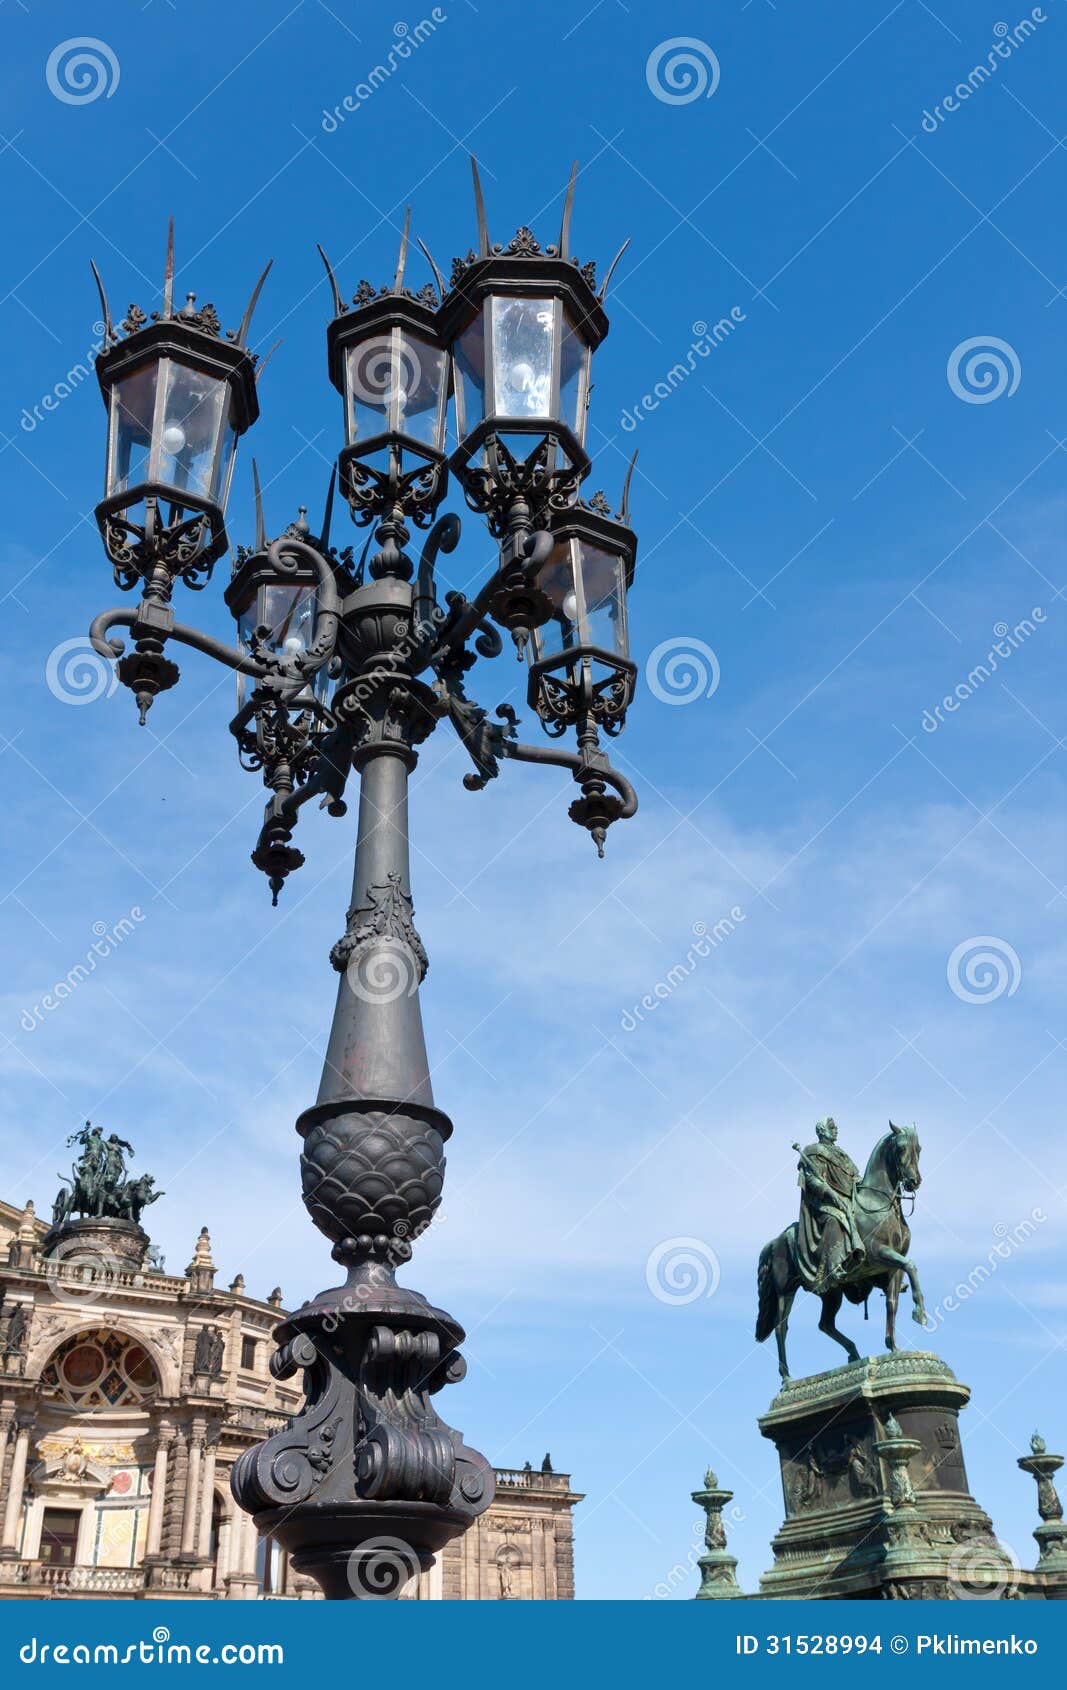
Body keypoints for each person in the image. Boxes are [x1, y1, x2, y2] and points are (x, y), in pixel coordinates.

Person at [794, 1117, 864, 1295]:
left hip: (849, 1200)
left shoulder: (841, 1154)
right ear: (821, 1130)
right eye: (832, 1127)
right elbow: (810, 1180)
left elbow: (855, 1176)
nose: (836, 1129)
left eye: (835, 1127)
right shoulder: (812, 1152)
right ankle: (834, 1266)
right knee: (834, 1220)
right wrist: (829, 1193)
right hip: (822, 1203)